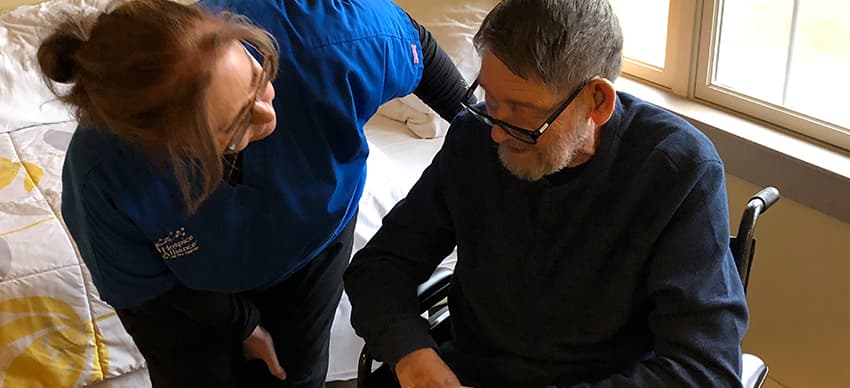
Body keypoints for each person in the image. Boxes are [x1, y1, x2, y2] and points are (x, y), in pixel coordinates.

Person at [39, 0, 470, 386]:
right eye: (236, 124)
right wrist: (243, 324)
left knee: (297, 375)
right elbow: (146, 292)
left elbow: (416, 45)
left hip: (312, 244)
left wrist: (482, 136)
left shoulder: (334, 36)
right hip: (181, 293)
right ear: (173, 151)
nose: (270, 114)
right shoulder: (103, 175)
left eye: (259, 78)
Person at [344, 0, 750, 386]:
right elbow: (379, 267)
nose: (498, 131)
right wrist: (414, 356)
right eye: (489, 98)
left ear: (597, 101)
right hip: (468, 369)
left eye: (521, 111)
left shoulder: (677, 171)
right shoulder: (476, 135)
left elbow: (704, 370)